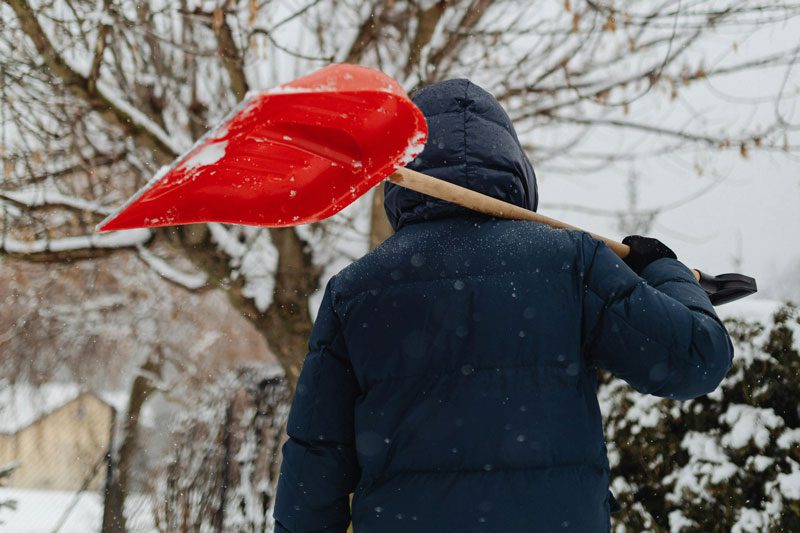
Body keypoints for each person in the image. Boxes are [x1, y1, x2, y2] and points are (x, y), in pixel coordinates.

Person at [273, 79, 734, 532]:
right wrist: (662, 269)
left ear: (406, 170)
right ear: (515, 168)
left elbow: (315, 460)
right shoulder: (570, 262)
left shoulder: (355, 291)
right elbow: (696, 357)